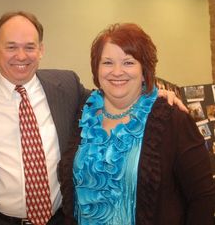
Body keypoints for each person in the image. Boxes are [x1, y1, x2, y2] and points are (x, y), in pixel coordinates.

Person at [0, 11, 189, 225]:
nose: (21, 56)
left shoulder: (66, 86)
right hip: (0, 220)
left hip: (61, 218)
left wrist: (153, 93)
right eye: (11, 47)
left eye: (30, 47)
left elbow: (114, 94)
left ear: (41, 50)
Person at [59, 23, 215, 225]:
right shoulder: (83, 114)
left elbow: (202, 197)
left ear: (144, 71)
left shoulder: (172, 119)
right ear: (96, 69)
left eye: (128, 62)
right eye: (107, 62)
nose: (117, 71)